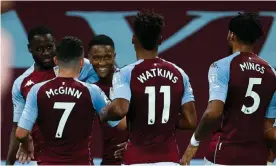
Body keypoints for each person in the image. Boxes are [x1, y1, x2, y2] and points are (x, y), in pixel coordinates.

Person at [99, 10, 197, 165]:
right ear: (160, 40)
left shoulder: (125, 73)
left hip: (136, 158)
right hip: (169, 159)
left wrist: (104, 113)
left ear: (133, 39)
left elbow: (119, 109)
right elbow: (191, 121)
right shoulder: (179, 73)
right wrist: (163, 121)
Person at [181, 12, 276, 165]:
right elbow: (269, 128)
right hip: (257, 158)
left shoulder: (221, 66)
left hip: (224, 155)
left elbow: (213, 113)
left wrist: (194, 142)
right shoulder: (272, 73)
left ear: (231, 35)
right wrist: (270, 157)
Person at [15, 36, 118, 165]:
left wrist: (26, 143)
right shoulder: (92, 91)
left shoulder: (37, 90)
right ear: (81, 62)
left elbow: (20, 133)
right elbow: (120, 123)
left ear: (56, 60)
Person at [88, 34, 128, 165]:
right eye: (97, 58)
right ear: (89, 58)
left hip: (134, 160)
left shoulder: (129, 82)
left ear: (114, 56)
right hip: (109, 161)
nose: (102, 63)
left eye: (107, 57)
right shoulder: (89, 88)